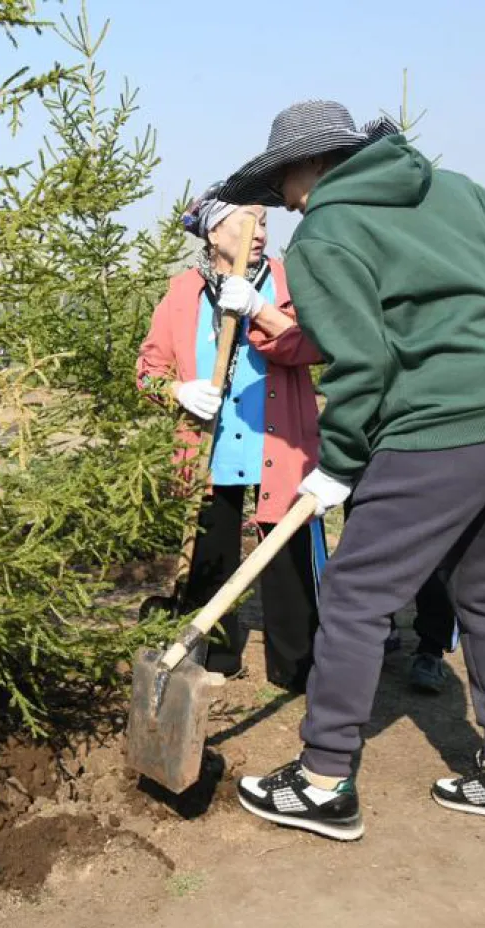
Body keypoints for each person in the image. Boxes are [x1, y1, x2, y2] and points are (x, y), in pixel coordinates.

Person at [223, 100, 485, 840]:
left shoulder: (326, 235)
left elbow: (361, 365)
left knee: (355, 595)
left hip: (443, 424)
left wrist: (338, 465)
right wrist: (480, 311)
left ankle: (322, 783)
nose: (281, 201)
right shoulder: (445, 188)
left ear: (304, 168)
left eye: (281, 182)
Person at [137, 185, 325, 690]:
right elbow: (148, 369)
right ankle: (214, 657)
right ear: (214, 231)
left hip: (278, 444)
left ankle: (297, 665)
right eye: (247, 222)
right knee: (210, 553)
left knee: (287, 556)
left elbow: (315, 346)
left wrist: (262, 311)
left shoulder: (288, 281)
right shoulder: (182, 292)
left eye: (264, 222)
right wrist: (178, 391)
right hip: (209, 448)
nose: (259, 232)